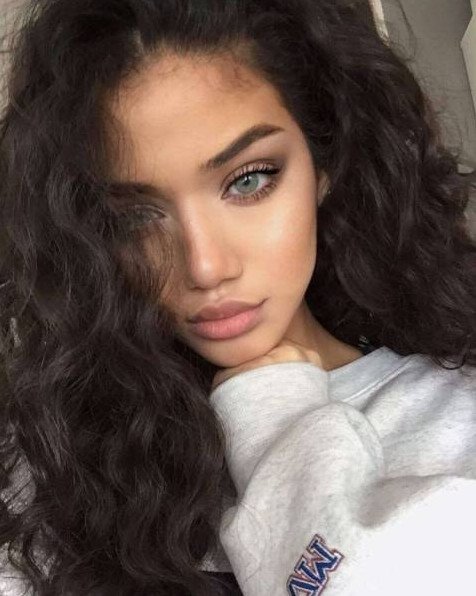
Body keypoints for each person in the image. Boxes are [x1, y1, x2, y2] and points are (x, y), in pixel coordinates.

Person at [0, 0, 474, 594]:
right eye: (134, 216)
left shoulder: (460, 416)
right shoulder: (50, 462)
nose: (206, 267)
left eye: (248, 180)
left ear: (323, 164)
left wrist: (274, 418)